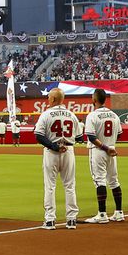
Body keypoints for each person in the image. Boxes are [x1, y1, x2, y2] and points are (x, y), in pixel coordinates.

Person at [35, 88, 82, 229]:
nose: (48, 99)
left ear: (54, 99)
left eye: (49, 97)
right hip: (68, 151)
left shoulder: (46, 114)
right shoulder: (71, 115)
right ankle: (72, 219)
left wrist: (54, 146)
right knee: (70, 186)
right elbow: (79, 137)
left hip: (51, 152)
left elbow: (38, 135)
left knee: (50, 186)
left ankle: (50, 220)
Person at [83, 88, 123, 223]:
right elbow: (120, 133)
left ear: (94, 100)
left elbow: (91, 136)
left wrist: (105, 147)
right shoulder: (114, 115)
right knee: (114, 180)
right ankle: (119, 212)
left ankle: (102, 214)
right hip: (111, 149)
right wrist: (109, 145)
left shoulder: (92, 115)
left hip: (99, 150)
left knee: (99, 180)